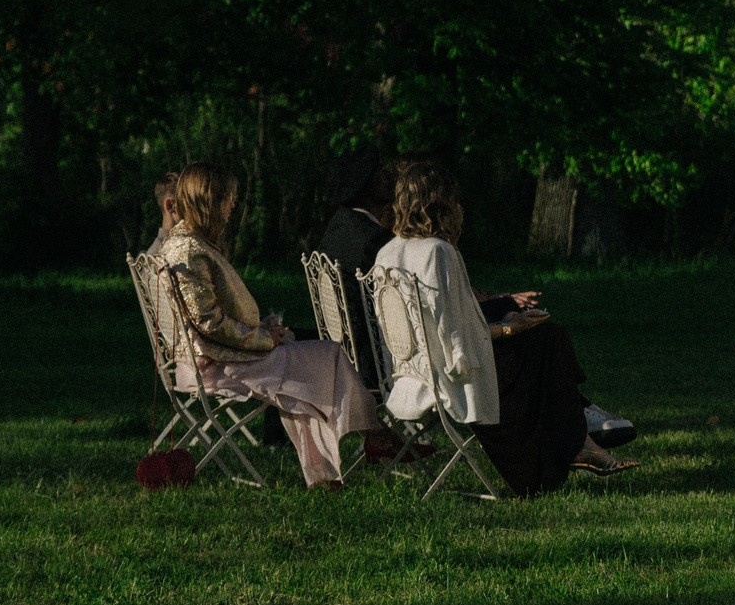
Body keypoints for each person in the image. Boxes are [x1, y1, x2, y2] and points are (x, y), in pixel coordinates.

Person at [371, 159, 632, 493]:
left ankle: (581, 439)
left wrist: (502, 325)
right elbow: (457, 339)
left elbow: (440, 326)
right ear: (442, 204)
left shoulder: (387, 253)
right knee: (548, 341)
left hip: (408, 374)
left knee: (544, 344)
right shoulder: (438, 251)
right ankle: (577, 437)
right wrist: (510, 329)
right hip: (449, 377)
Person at [156, 163, 384, 487]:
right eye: (228, 198)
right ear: (210, 200)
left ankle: (334, 466)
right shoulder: (189, 250)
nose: (233, 205)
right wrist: (263, 339)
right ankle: (372, 436)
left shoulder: (187, 242)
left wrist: (263, 330)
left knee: (313, 364)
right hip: (218, 365)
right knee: (328, 356)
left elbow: (207, 317)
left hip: (214, 358)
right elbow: (208, 323)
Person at [314, 149, 397, 388]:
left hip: (341, 358)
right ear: (366, 185)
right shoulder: (373, 241)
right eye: (380, 172)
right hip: (376, 365)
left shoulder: (338, 228)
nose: (389, 176)